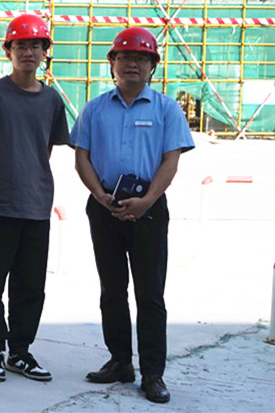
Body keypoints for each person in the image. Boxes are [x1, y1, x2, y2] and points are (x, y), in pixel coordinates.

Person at [70, 27, 193, 405]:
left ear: (153, 66)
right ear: (112, 63)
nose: (132, 64)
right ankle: (120, 360)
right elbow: (81, 157)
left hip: (149, 211)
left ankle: (153, 372)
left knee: (150, 294)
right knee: (112, 289)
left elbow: (170, 161)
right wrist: (100, 195)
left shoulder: (166, 109)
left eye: (141, 58)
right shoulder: (94, 109)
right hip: (104, 207)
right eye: (124, 57)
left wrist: (148, 201)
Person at [0, 14, 70, 383]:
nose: (28, 52)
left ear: (45, 52)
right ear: (8, 51)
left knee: (30, 286)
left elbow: (45, 149)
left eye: (35, 46)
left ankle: (20, 351)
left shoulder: (51, 100)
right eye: (20, 46)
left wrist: (32, 182)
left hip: (36, 206)